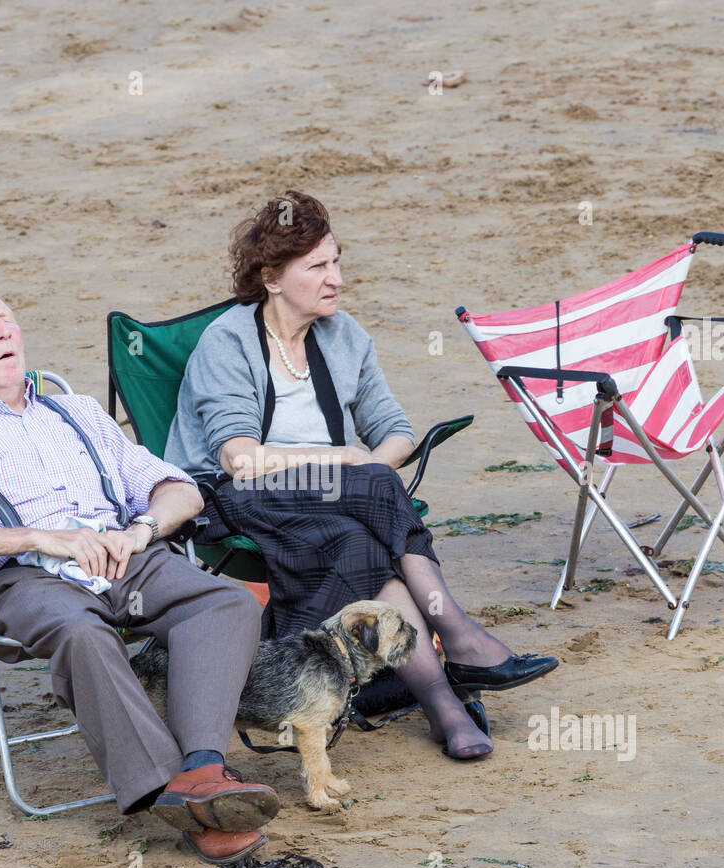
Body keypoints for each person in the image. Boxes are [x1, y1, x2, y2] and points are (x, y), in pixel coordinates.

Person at [165, 192, 559, 760]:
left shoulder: (344, 335)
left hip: (336, 500)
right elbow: (239, 458)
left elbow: (395, 430)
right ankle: (462, 641)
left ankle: (442, 704)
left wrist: (365, 465)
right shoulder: (227, 342)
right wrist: (348, 463)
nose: (337, 279)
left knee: (359, 536)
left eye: (337, 261)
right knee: (374, 484)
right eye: (318, 267)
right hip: (241, 496)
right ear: (272, 278)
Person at [0, 288, 277, 865]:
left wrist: (141, 530)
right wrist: (36, 537)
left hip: (124, 557)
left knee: (225, 603)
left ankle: (200, 769)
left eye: (8, 319)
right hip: (27, 579)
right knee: (81, 632)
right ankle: (175, 789)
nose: (5, 331)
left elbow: (182, 490)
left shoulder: (77, 413)